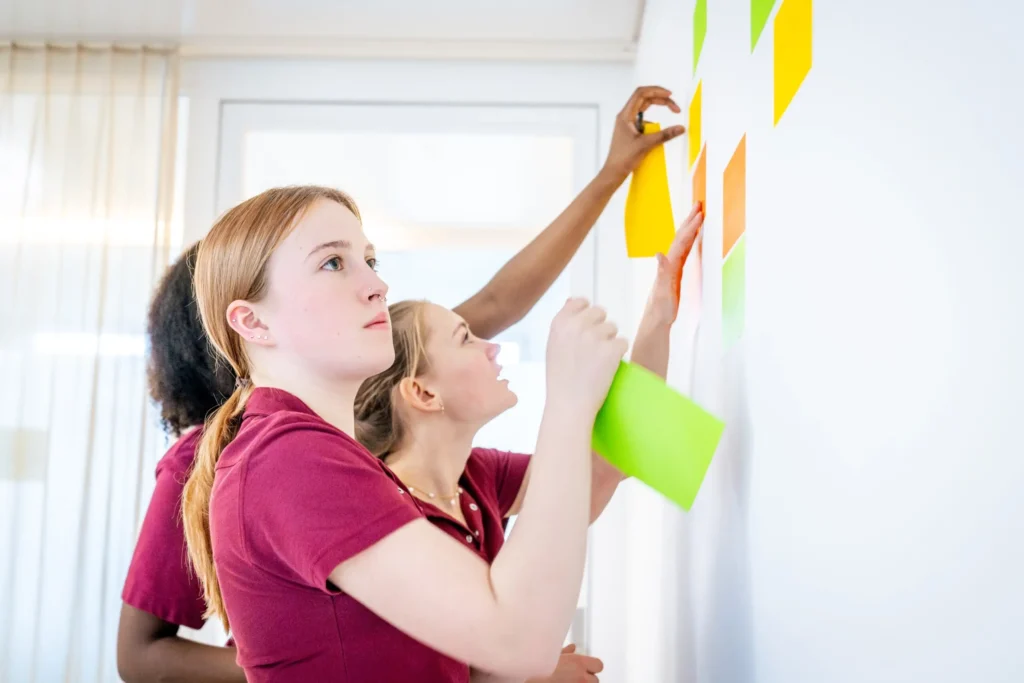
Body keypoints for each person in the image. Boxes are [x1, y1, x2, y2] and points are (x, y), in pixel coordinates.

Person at [118, 85, 686, 683]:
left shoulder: (329, 454)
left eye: (371, 261)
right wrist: (568, 402)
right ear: (252, 323)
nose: (378, 286)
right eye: (333, 263)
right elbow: (518, 641)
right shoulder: (286, 459)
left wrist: (658, 316)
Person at [354, 205, 703, 683]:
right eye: (466, 339)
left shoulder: (475, 473)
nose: (492, 347)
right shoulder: (383, 514)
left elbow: (604, 467)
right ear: (423, 393)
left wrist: (660, 313)